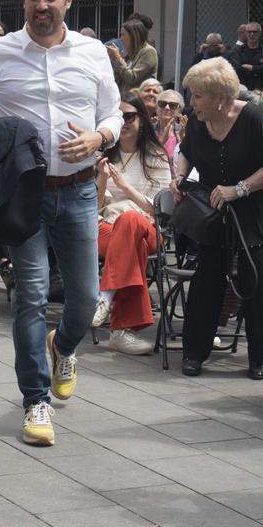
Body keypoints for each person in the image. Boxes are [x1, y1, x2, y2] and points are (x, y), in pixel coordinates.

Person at [0, 0, 120, 445]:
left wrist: (98, 138)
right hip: (24, 195)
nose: (42, 5)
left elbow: (112, 112)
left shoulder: (92, 53)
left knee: (86, 297)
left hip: (81, 189)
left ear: (68, 0)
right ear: (23, 0)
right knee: (29, 295)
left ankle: (63, 344)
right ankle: (36, 401)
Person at [173, 57, 263, 379]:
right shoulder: (198, 119)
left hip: (257, 210)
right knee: (206, 278)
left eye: (198, 95)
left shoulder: (252, 118)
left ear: (220, 98)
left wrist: (239, 189)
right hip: (216, 211)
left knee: (256, 282)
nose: (192, 102)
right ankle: (194, 352)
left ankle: (257, 358)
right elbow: (187, 150)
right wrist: (178, 177)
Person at [97, 96, 175, 356]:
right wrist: (101, 180)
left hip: (149, 226)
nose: (123, 122)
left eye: (129, 116)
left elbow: (159, 210)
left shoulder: (156, 157)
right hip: (107, 225)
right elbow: (94, 209)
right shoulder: (103, 156)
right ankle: (121, 331)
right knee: (133, 243)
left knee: (132, 221)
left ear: (142, 120)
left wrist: (125, 188)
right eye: (118, 117)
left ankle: (105, 297)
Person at [107, 14, 158, 91]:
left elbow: (131, 78)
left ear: (133, 36)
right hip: (126, 98)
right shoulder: (131, 53)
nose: (121, 39)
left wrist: (118, 59)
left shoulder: (149, 51)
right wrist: (115, 59)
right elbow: (119, 80)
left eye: (123, 35)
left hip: (139, 99)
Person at [223, 20, 263, 93]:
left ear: (260, 33)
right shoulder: (238, 51)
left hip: (261, 90)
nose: (252, 34)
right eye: (249, 32)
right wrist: (259, 68)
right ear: (246, 34)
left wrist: (251, 67)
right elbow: (237, 69)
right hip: (243, 90)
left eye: (255, 32)